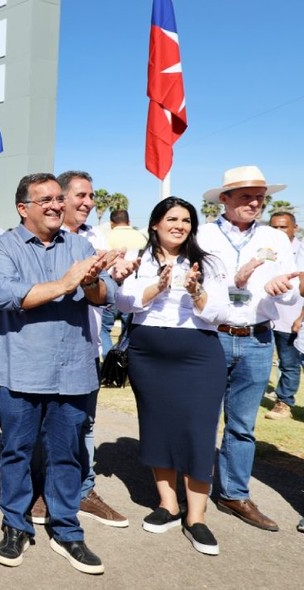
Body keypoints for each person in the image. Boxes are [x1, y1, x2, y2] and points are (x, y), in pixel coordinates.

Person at [0, 172, 116, 575]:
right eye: (47, 200)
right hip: (19, 371)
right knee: (17, 453)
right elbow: (6, 296)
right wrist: (67, 281)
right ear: (23, 208)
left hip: (72, 370)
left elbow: (104, 297)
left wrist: (90, 283)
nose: (58, 205)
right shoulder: (0, 248)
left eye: (60, 198)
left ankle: (67, 530)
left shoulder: (79, 245)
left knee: (67, 455)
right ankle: (15, 525)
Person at [116, 197, 228, 555]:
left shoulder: (208, 263)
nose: (179, 225)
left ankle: (197, 518)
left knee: (198, 430)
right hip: (148, 355)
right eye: (172, 219)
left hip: (197, 355)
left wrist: (195, 290)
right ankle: (168, 504)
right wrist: (158, 287)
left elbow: (219, 312)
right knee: (157, 426)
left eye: (185, 220)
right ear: (155, 224)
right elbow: (123, 302)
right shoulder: (138, 260)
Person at [25, 171, 129, 529]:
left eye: (91, 196)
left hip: (87, 345)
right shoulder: (37, 241)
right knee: (43, 424)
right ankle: (42, 491)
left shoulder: (94, 238)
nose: (87, 203)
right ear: (59, 199)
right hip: (45, 348)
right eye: (80, 196)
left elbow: (106, 296)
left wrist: (112, 276)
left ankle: (83, 490)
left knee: (84, 424)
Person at [198, 165, 299, 532]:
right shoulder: (203, 233)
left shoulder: (276, 237)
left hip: (258, 339)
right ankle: (193, 493)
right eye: (245, 196)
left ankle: (234, 494)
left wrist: (280, 288)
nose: (254, 202)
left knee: (242, 425)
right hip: (211, 336)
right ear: (223, 199)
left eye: (259, 196)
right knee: (201, 420)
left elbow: (289, 287)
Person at [265, 212, 304, 419]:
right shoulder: (266, 250)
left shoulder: (302, 251)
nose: (278, 232)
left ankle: (284, 403)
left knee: (289, 363)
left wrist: (300, 318)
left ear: (294, 228)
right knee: (261, 364)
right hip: (265, 317)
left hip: (292, 319)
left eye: (283, 227)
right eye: (274, 227)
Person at [100, 210, 147, 357]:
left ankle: (109, 365)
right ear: (129, 222)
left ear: (111, 223)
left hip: (113, 288)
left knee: (104, 329)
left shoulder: (106, 237)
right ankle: (124, 364)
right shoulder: (141, 237)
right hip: (133, 292)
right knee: (127, 333)